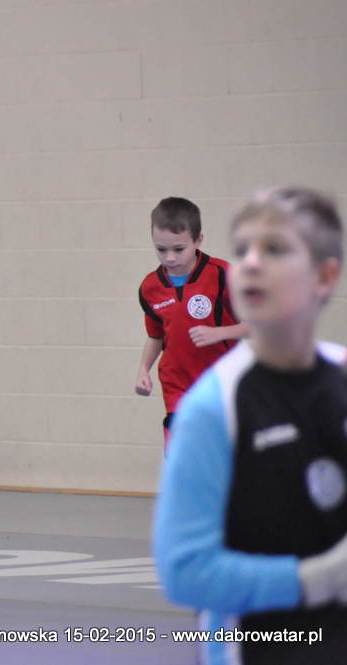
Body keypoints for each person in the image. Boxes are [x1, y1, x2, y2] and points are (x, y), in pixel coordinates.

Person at [154, 186, 347, 664]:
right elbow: (185, 571)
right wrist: (316, 579)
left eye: (275, 249)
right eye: (242, 250)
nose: (252, 263)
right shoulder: (212, 407)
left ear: (325, 275)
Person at [135, 196, 247, 445]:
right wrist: (144, 370)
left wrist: (220, 332)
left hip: (220, 380)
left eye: (178, 249)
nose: (169, 258)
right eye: (161, 249)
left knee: (222, 454)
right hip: (177, 383)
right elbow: (155, 336)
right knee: (180, 451)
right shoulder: (150, 288)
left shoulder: (222, 275)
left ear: (198, 240)